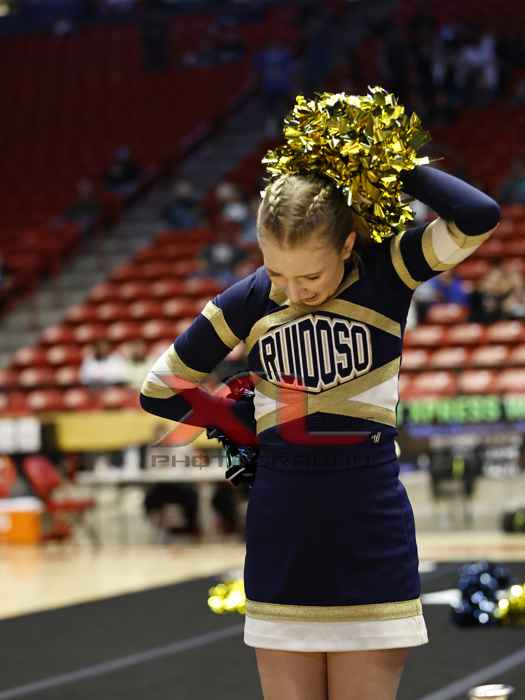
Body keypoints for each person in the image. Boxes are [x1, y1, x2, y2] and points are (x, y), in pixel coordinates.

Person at [139, 89, 500, 699]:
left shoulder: (390, 271)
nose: (294, 289)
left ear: (347, 244)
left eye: (310, 273)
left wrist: (387, 161)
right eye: (277, 271)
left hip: (369, 517)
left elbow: (478, 215)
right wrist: (238, 422)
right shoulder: (249, 299)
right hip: (282, 520)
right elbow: (160, 388)